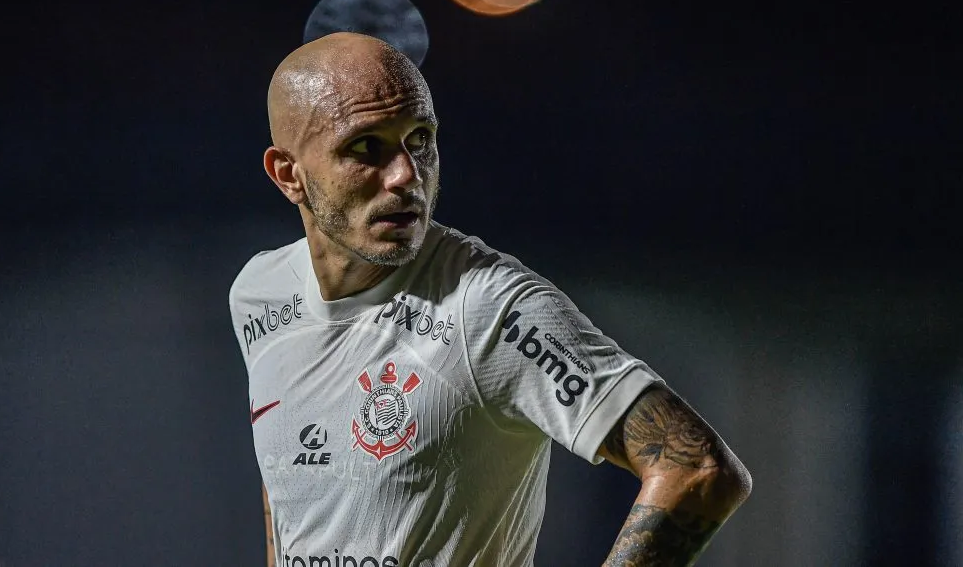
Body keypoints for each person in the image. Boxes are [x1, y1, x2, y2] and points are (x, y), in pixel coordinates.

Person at [228, 32, 752, 567]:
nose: (407, 174)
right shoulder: (259, 293)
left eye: (420, 138)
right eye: (366, 147)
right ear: (288, 174)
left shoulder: (487, 304)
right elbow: (289, 483)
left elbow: (700, 469)